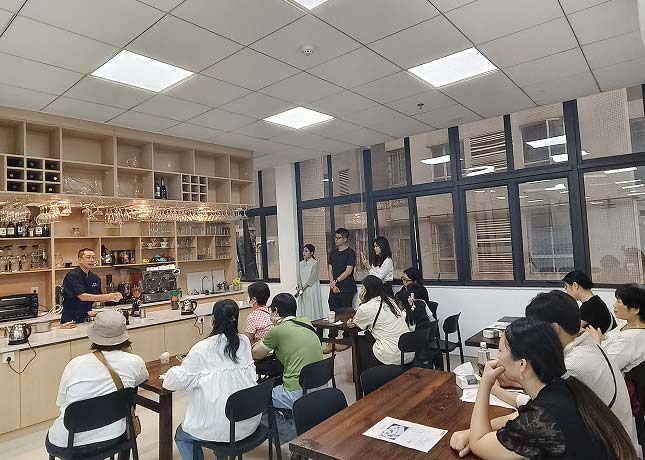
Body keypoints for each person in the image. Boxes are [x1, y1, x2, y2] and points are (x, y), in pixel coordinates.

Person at [449, 318, 637, 460]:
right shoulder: (561, 385)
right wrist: (471, 432)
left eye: (500, 351)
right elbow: (519, 416)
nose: (497, 358)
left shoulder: (543, 417)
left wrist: (485, 384)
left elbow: (479, 443)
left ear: (522, 364)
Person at [491, 291, 639, 453]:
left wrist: (496, 390)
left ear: (554, 328)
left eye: (535, 328)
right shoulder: (586, 344)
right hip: (612, 439)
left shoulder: (573, 364)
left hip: (608, 448)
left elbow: (543, 409)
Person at [163, 300, 260, 460]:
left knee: (182, 436)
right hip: (248, 419)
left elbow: (174, 382)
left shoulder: (203, 348)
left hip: (223, 425)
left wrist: (173, 370)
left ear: (213, 319)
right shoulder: (243, 341)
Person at [46, 310, 148, 457]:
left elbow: (62, 402)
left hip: (68, 443)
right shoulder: (135, 362)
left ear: (94, 336)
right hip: (114, 437)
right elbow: (142, 378)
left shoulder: (75, 365)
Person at [252, 293, 323, 410]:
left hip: (297, 392)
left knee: (258, 395)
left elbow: (256, 354)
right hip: (320, 386)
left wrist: (263, 339)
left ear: (275, 311)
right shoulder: (306, 321)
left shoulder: (278, 330)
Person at [348, 275, 413, 370]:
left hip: (392, 355)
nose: (361, 291)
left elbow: (355, 322)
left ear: (367, 291)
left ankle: (364, 376)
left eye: (362, 288)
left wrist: (362, 304)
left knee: (361, 343)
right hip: (408, 352)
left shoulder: (366, 308)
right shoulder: (391, 302)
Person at [588, 283, 645, 373]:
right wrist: (602, 338)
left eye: (619, 302)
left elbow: (605, 368)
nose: (614, 305)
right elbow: (611, 339)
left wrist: (597, 342)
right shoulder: (627, 323)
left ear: (635, 310)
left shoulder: (630, 338)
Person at [61, 248, 122, 324]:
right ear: (80, 260)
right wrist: (109, 296)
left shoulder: (95, 278)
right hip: (70, 320)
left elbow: (99, 297)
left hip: (87, 317)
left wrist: (114, 297)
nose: (91, 260)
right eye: (88, 257)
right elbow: (83, 297)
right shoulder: (72, 276)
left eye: (93, 257)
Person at [328, 228, 357, 312]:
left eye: (338, 238)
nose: (336, 240)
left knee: (345, 312)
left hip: (346, 287)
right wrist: (332, 284)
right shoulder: (333, 253)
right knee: (332, 309)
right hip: (334, 286)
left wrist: (335, 281)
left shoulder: (350, 253)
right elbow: (330, 269)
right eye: (335, 237)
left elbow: (348, 271)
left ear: (345, 239)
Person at [296, 244, 323, 320]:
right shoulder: (300, 263)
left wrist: (303, 288)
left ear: (311, 253)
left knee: (311, 304)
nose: (304, 253)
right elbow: (299, 276)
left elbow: (312, 278)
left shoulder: (315, 263)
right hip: (302, 289)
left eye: (306, 251)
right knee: (303, 305)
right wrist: (300, 287)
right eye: (303, 251)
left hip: (311, 288)